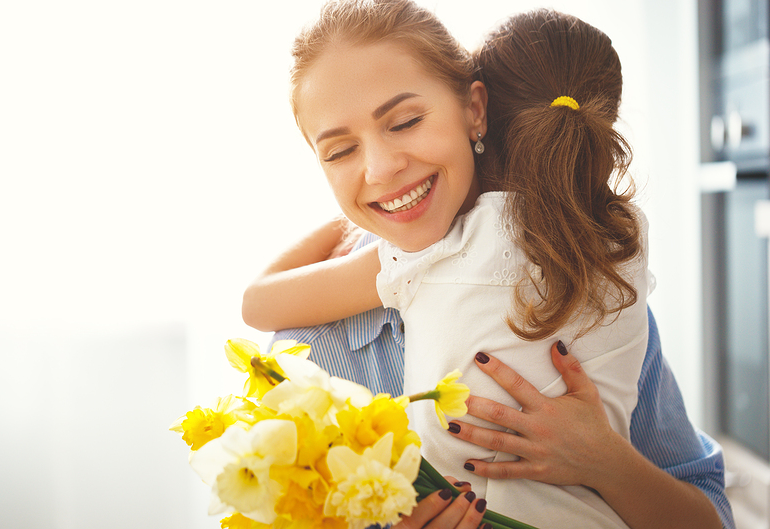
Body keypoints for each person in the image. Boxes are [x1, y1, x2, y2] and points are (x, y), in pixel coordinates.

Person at [241, 2, 727, 527]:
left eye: (405, 122)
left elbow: (712, 518)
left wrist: (607, 462)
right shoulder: (307, 359)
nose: (380, 169)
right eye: (339, 153)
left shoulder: (589, 287)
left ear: (476, 109)